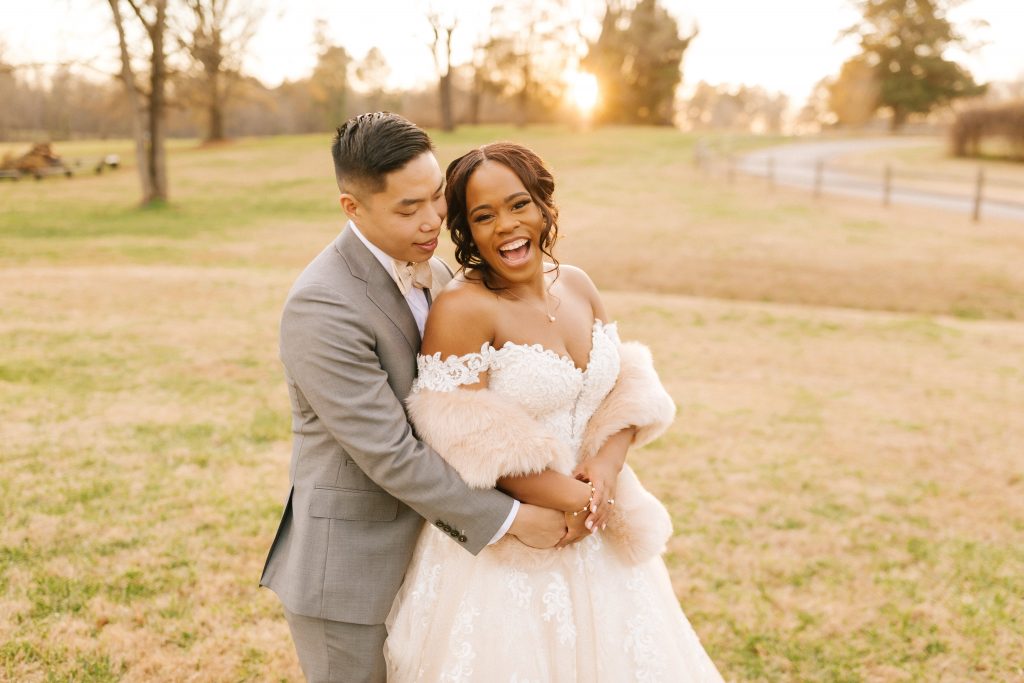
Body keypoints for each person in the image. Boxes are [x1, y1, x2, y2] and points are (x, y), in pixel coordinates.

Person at [384, 142, 724, 681]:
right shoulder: (462, 307)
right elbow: (462, 437)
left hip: (599, 526)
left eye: (519, 205)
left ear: (543, 206)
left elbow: (622, 386)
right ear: (467, 232)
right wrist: (576, 498)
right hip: (515, 546)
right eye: (483, 216)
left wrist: (606, 473)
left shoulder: (580, 285)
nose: (506, 226)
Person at [259, 114, 568, 683]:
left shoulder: (437, 270)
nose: (432, 222)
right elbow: (389, 453)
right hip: (353, 574)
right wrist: (511, 519)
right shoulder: (321, 306)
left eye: (435, 198)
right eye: (407, 208)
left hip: (438, 560)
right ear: (353, 208)